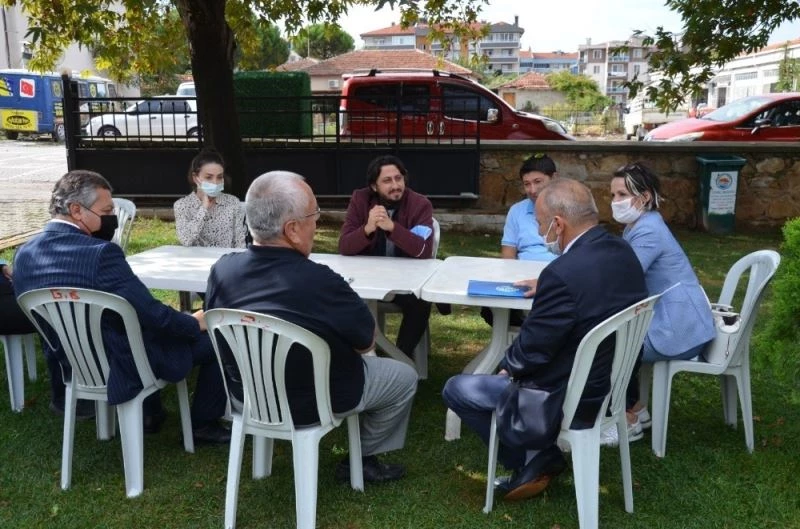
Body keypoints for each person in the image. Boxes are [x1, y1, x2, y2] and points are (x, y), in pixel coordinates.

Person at [442, 178, 648, 502]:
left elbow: (532, 350)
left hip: (570, 396)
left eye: (539, 224)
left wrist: (505, 369)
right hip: (614, 386)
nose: (540, 233)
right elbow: (584, 293)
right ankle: (538, 455)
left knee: (457, 387)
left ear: (557, 224)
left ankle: (534, 459)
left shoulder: (563, 273)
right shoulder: (622, 252)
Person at [205, 170, 418, 483]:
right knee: (404, 376)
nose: (317, 223)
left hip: (247, 395)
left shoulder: (222, 271)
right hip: (317, 400)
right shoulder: (322, 281)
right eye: (314, 215)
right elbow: (365, 342)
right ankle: (363, 458)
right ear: (292, 229)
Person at [13, 170, 230, 444]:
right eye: (106, 210)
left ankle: (150, 412)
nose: (111, 218)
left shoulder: (23, 254)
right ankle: (203, 424)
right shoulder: (101, 254)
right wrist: (194, 322)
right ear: (76, 210)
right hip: (120, 363)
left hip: (71, 362)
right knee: (218, 337)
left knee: (130, 329)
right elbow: (153, 314)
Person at [606, 162, 716, 446]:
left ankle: (627, 420)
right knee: (615, 334)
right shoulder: (641, 224)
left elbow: (622, 278)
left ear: (643, 198)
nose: (614, 202)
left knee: (610, 342)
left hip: (678, 329)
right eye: (613, 195)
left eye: (621, 195)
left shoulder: (648, 231)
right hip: (673, 320)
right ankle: (636, 409)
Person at [338, 155, 435, 359]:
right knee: (337, 295)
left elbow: (423, 250)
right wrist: (367, 229)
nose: (395, 185)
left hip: (405, 281)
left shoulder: (419, 204)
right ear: (374, 186)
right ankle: (352, 355)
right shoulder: (360, 199)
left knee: (420, 303)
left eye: (398, 178)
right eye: (387, 181)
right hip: (368, 278)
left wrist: (392, 228)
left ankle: (400, 358)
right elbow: (345, 247)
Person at [482, 153, 559, 326]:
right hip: (523, 276)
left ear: (554, 178)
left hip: (557, 277)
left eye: (538, 182)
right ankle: (520, 337)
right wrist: (512, 278)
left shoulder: (568, 208)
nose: (532, 190)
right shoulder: (517, 211)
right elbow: (508, 255)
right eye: (527, 184)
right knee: (488, 307)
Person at [174, 148, 246, 249]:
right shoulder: (182, 205)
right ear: (195, 178)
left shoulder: (232, 202)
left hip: (226, 262)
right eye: (209, 177)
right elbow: (185, 239)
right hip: (196, 262)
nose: (215, 182)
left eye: (220, 177)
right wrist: (203, 208)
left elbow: (240, 243)